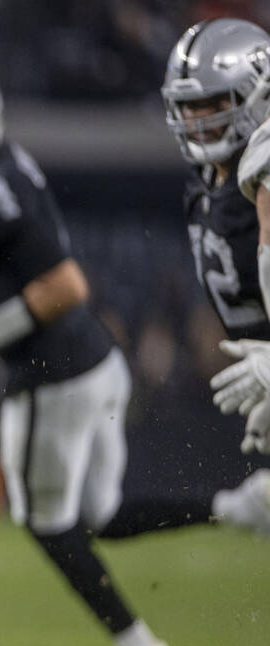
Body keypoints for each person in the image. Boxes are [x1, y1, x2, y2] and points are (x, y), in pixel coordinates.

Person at [0, 56, 193, 646]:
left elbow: (67, 285)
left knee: (45, 520)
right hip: (92, 359)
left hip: (54, 372)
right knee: (101, 513)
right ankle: (242, 505)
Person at [162, 18, 270, 522]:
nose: (197, 118)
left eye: (213, 104)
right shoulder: (204, 183)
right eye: (188, 106)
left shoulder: (263, 175)